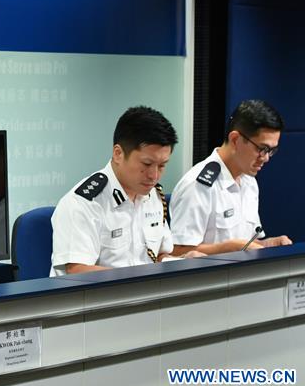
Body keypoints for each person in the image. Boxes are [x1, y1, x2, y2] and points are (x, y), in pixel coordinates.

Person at [50, 106, 204, 276]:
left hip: (144, 294)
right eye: (146, 164)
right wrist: (138, 280)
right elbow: (78, 271)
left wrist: (181, 261)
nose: (154, 176)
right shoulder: (82, 203)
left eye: (162, 166)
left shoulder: (153, 196)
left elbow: (158, 256)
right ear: (118, 154)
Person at [169, 100, 292, 255]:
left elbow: (246, 244)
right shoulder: (197, 185)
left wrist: (269, 244)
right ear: (235, 140)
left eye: (271, 150)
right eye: (262, 149)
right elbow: (177, 251)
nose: (266, 158)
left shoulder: (249, 181)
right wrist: (229, 248)